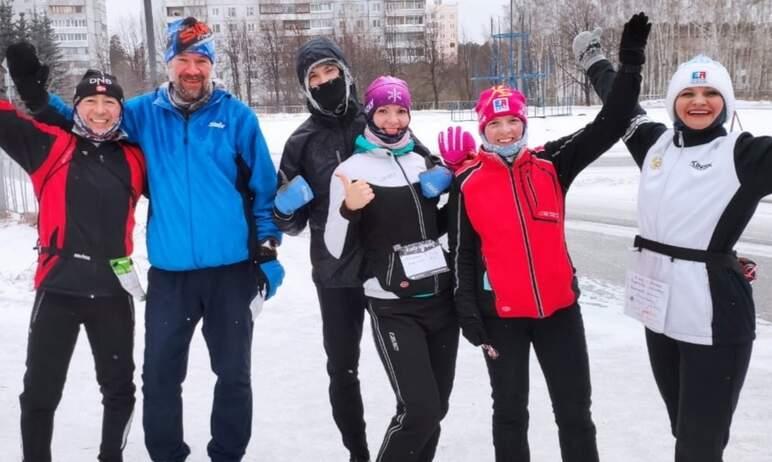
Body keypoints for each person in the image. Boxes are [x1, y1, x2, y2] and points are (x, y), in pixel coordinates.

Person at [7, 17, 284, 462]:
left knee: (233, 374)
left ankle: (227, 454)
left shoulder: (237, 117)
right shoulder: (141, 114)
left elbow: (263, 191)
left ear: (211, 65)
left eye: (200, 61)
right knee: (159, 376)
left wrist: (267, 250)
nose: (191, 70)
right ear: (168, 64)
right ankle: (167, 455)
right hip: (171, 275)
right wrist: (39, 99)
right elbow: (88, 117)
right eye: (182, 60)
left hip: (231, 271)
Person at [443, 13, 650, 462]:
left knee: (575, 411)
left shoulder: (551, 163)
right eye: (494, 124)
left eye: (512, 121)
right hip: (501, 317)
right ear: (483, 129)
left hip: (559, 311)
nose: (504, 131)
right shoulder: (469, 181)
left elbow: (612, 122)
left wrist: (629, 66)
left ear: (523, 122)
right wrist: (468, 317)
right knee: (511, 413)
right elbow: (460, 252)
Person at [574, 22, 770, 462]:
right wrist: (598, 62)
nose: (699, 102)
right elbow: (619, 102)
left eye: (710, 95)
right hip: (659, 311)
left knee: (699, 444)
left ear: (725, 103)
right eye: (688, 94)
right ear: (674, 101)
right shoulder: (657, 146)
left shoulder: (744, 154)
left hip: (715, 316)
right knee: (682, 427)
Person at [273, 37, 432, 462]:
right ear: (305, 88)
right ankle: (358, 453)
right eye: (315, 78)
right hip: (336, 274)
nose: (326, 82)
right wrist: (286, 207)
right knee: (343, 369)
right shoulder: (301, 143)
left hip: (389, 268)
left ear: (346, 74)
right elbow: (290, 224)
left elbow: (422, 171)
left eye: (331, 72)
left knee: (412, 373)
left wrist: (445, 173)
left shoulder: (380, 118)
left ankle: (408, 441)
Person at [1, 51, 145, 462]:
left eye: (109, 103)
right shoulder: (50, 146)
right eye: (90, 102)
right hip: (59, 288)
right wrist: (32, 94)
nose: (100, 111)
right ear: (77, 106)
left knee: (119, 389)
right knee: (40, 393)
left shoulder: (135, 158)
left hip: (113, 292)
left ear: (120, 109)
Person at [324, 76, 458, 462]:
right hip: (393, 306)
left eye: (401, 111)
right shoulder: (351, 170)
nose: (393, 120)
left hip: (440, 301)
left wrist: (455, 185)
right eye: (383, 110)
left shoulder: (423, 162)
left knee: (436, 410)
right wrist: (348, 208)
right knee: (419, 410)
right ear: (370, 113)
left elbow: (444, 229)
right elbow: (335, 247)